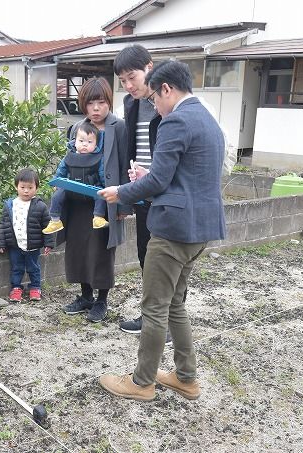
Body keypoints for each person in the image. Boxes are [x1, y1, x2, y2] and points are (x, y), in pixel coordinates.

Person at [97, 60, 226, 401]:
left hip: (172, 230)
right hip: (201, 228)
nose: (154, 105)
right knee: (175, 306)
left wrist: (121, 192)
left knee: (154, 307)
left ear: (167, 89)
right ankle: (186, 377)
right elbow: (183, 176)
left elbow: (159, 180)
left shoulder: (176, 120)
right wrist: (149, 180)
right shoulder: (207, 119)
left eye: (155, 98)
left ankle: (141, 383)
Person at [57, 77, 130, 323]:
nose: (96, 109)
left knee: (101, 251)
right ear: (83, 105)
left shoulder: (118, 127)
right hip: (77, 202)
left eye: (101, 102)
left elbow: (122, 167)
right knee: (77, 248)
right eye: (90, 103)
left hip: (105, 201)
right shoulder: (77, 127)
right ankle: (85, 296)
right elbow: (68, 160)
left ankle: (101, 300)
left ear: (109, 102)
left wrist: (123, 202)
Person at [113, 44, 160, 335]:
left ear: (149, 68)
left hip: (168, 196)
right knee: (145, 255)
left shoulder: (168, 102)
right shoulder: (130, 105)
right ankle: (150, 317)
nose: (128, 86)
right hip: (142, 193)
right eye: (122, 81)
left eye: (132, 77)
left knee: (165, 262)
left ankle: (164, 323)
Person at [0, 168, 55, 303]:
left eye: (30, 187)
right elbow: (3, 224)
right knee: (16, 268)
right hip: (15, 246)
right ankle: (16, 288)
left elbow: (47, 226)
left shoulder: (40, 206)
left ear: (36, 188)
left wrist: (49, 243)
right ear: (16, 186)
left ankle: (35, 287)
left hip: (33, 246)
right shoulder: (10, 205)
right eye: (22, 187)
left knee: (34, 268)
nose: (26, 190)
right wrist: (1, 243)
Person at [42, 121, 109, 234]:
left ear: (96, 144)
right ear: (74, 142)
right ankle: (55, 221)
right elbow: (61, 170)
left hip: (91, 188)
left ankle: (98, 217)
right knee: (57, 195)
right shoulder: (69, 157)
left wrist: (105, 187)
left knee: (100, 195)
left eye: (89, 142)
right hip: (71, 188)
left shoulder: (99, 158)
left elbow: (102, 174)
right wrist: (56, 183)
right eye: (81, 141)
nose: (84, 144)